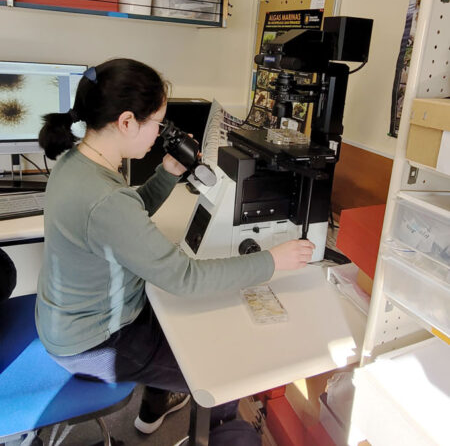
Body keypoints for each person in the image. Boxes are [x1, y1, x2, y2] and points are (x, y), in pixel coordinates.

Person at [36, 58, 315, 444]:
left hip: (75, 318)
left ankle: (156, 403)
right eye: (157, 124)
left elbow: (124, 223)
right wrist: (273, 261)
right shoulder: (106, 197)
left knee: (193, 322)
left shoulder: (75, 162)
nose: (160, 133)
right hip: (95, 341)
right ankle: (212, 435)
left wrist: (166, 172)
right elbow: (185, 277)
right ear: (127, 121)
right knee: (221, 369)